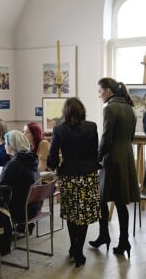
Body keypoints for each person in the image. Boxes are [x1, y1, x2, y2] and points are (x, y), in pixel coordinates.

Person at [47, 98, 101, 268]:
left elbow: (53, 155)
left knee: (71, 212)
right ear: (82, 111)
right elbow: (95, 153)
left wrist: (53, 166)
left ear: (66, 112)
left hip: (69, 175)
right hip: (88, 175)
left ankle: (74, 247)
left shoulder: (59, 130)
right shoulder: (92, 127)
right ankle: (78, 250)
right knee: (83, 214)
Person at [89, 77, 140, 258]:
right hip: (126, 158)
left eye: (99, 91)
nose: (99, 94)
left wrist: (97, 158)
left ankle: (104, 236)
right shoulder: (130, 108)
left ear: (108, 91)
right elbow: (131, 137)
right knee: (120, 201)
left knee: (102, 199)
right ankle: (123, 241)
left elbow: (106, 138)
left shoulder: (109, 108)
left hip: (111, 160)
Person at [0, 130, 41, 228]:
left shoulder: (14, 164)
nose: (4, 146)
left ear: (11, 146)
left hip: (21, 211)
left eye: (6, 143)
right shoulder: (31, 159)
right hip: (34, 207)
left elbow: (0, 187)